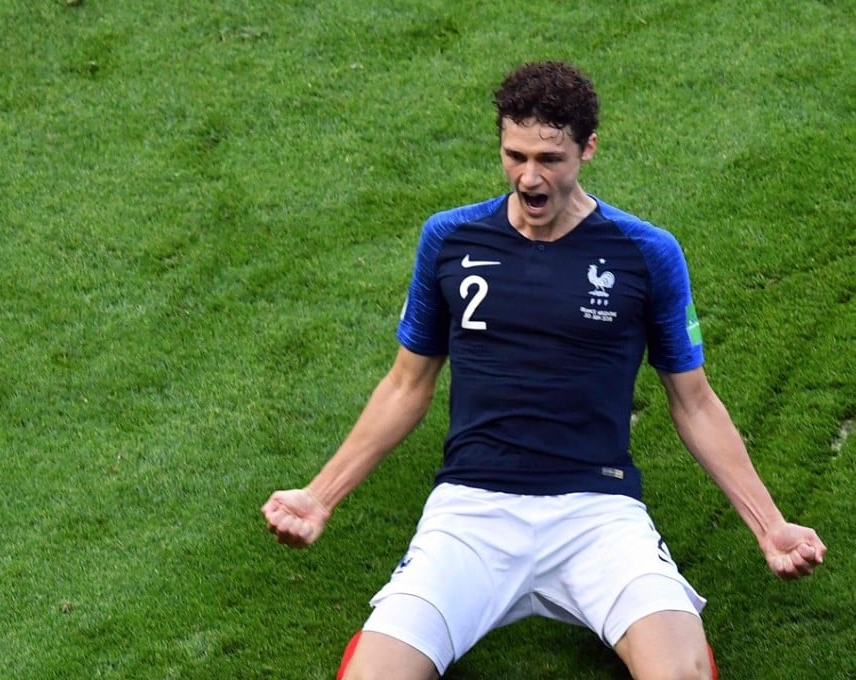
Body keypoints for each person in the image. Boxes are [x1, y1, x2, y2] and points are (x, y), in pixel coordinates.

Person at [261, 60, 826, 680]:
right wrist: (319, 497)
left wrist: (769, 526)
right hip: (470, 512)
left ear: (588, 149)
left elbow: (693, 401)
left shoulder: (646, 252)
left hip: (598, 512)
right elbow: (406, 383)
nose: (529, 177)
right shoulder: (449, 240)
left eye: (550, 159)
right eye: (515, 155)